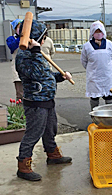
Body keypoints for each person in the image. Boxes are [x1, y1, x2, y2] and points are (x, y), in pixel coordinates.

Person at [15, 20, 72, 181]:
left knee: (50, 130)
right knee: (33, 133)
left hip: (47, 99)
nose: (44, 40)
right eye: (43, 37)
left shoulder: (37, 53)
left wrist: (60, 76)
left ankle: (53, 155)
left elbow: (46, 75)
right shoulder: (24, 55)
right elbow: (35, 74)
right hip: (35, 102)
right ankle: (23, 165)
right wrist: (35, 52)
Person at [81, 20, 112, 110]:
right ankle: (95, 118)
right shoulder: (87, 46)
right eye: (96, 31)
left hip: (108, 78)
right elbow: (84, 61)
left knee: (109, 99)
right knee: (94, 100)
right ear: (92, 32)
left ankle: (110, 118)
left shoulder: (110, 44)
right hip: (94, 78)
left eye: (100, 31)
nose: (98, 33)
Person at [6, 19, 24, 101]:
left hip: (29, 67)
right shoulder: (11, 39)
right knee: (20, 93)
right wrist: (20, 38)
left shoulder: (28, 38)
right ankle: (20, 112)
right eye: (19, 27)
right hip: (17, 67)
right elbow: (12, 47)